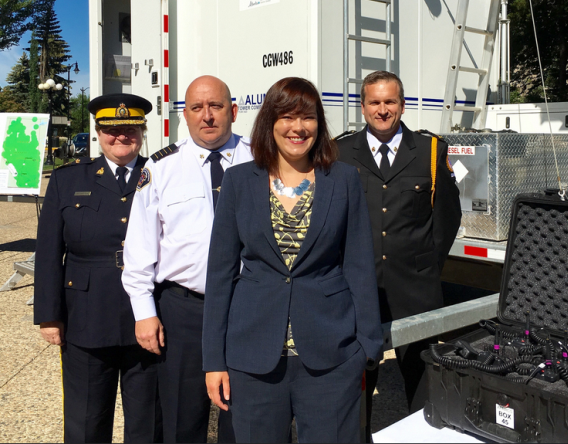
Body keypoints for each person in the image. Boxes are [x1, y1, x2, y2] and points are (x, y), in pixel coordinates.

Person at [203, 77, 382, 443]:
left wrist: (366, 349)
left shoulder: (343, 179)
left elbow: (360, 265)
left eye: (308, 117)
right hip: (253, 357)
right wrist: (214, 361)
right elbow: (219, 275)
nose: (298, 127)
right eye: (286, 116)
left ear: (320, 123)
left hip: (331, 355)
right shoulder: (239, 182)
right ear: (269, 122)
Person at [122, 75, 251, 443]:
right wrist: (143, 311)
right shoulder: (160, 168)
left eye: (216, 106)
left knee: (245, 418)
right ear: (185, 116)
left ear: (234, 111)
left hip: (248, 307)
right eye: (197, 108)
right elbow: (140, 244)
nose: (207, 116)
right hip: (184, 311)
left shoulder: (261, 158)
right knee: (182, 419)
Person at [335, 71, 462, 439]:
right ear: (362, 107)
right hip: (359, 289)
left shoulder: (430, 150)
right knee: (358, 378)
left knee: (421, 379)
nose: (382, 109)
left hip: (415, 289)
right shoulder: (341, 152)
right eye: (374, 102)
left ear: (402, 105)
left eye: (390, 102)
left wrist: (425, 267)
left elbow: (446, 219)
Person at [34, 93, 161, 443]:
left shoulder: (161, 176)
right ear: (98, 132)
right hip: (85, 318)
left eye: (130, 129)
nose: (121, 136)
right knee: (86, 420)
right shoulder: (68, 180)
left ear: (142, 131)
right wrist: (49, 315)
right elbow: (48, 252)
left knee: (148, 422)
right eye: (111, 129)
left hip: (148, 317)